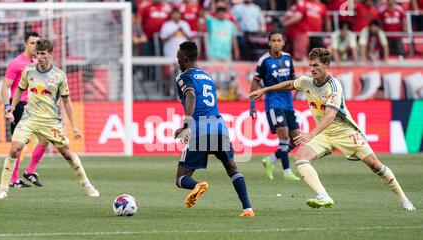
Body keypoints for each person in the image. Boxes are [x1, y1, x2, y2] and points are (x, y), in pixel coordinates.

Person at [249, 48, 415, 211]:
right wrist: (265, 90)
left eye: (316, 65)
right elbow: (290, 84)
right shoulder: (306, 81)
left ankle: (404, 199)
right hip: (324, 134)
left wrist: (310, 134)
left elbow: (329, 116)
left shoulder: (334, 86)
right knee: (300, 157)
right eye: (310, 65)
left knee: (375, 165)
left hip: (345, 132)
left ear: (326, 65)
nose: (312, 69)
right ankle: (323, 195)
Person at [0, 39, 99, 199]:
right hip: (29, 118)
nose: (39, 57)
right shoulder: (28, 72)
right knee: (15, 149)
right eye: (37, 54)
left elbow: (66, 101)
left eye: (43, 54)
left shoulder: (58, 75)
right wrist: (11, 107)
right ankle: (2, 189)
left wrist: (74, 126)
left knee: (68, 154)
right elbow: (19, 89)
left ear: (50, 55)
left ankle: (87, 184)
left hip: (50, 121)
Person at [174, 41, 254, 217]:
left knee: (181, 178)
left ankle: (196, 185)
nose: (177, 62)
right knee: (232, 168)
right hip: (219, 126)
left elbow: (191, 96)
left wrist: (187, 124)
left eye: (179, 59)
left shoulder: (184, 77)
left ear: (185, 58)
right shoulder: (208, 77)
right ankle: (247, 209)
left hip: (199, 128)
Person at [250, 31, 300, 181]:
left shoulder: (288, 58)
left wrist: (297, 92)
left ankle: (271, 160)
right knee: (284, 134)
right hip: (273, 103)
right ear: (269, 43)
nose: (277, 43)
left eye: (279, 40)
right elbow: (255, 82)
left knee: (297, 139)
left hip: (288, 104)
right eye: (274, 40)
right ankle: (287, 171)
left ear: (283, 42)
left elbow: (293, 79)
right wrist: (252, 105)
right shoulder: (264, 61)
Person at [1, 31, 49, 188]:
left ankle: (29, 171)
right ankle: (13, 180)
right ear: (25, 44)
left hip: (37, 106)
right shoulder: (16, 63)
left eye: (37, 43)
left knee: (45, 139)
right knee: (18, 144)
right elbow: (5, 87)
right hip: (20, 105)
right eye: (32, 43)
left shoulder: (40, 64)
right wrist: (7, 108)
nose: (35, 46)